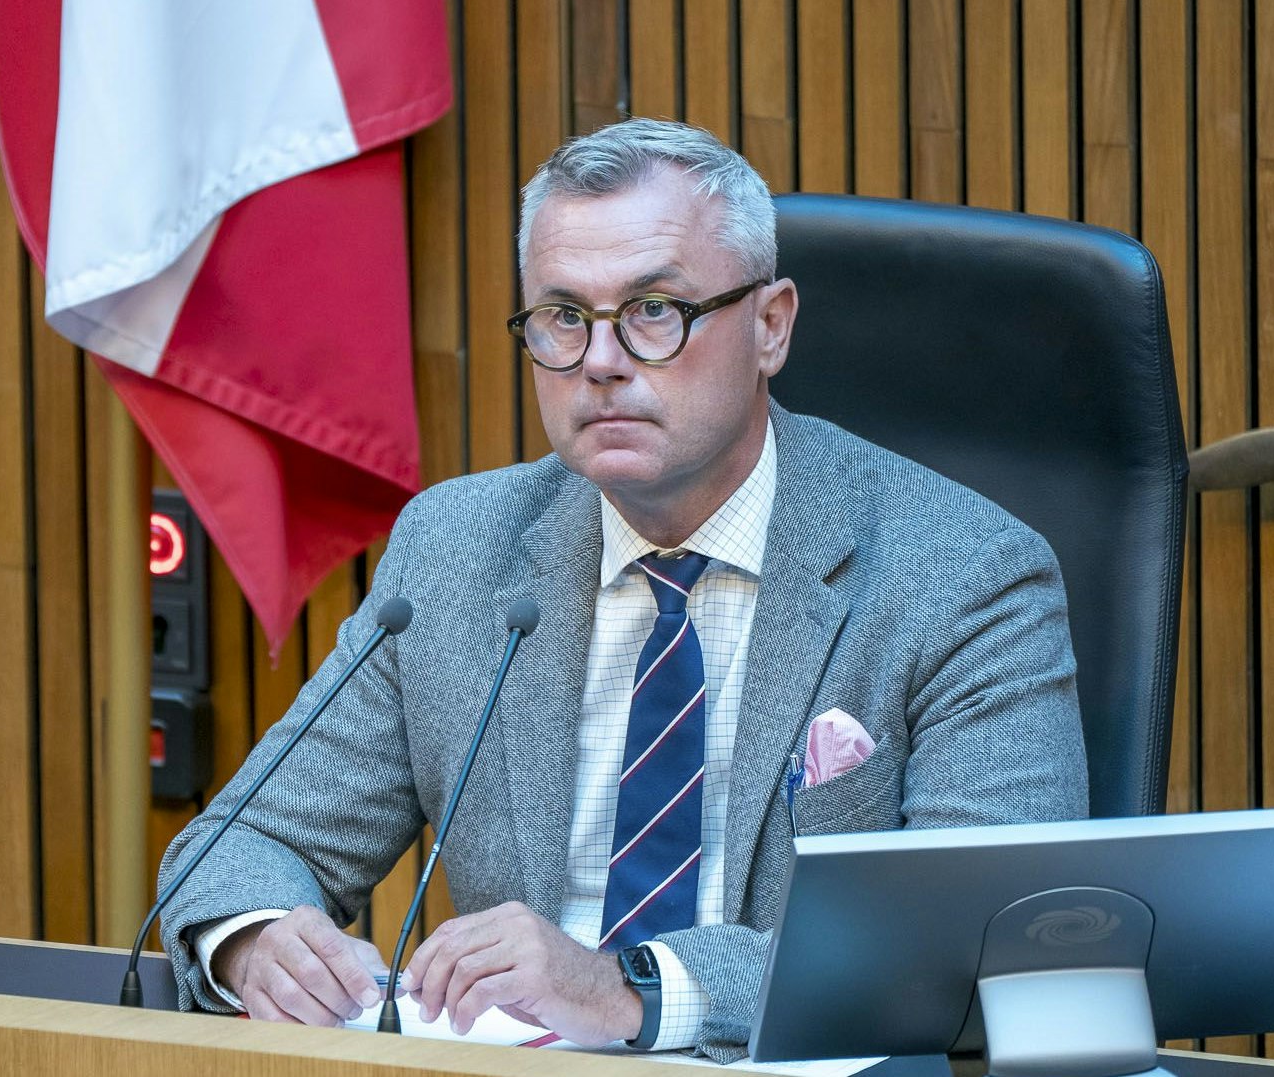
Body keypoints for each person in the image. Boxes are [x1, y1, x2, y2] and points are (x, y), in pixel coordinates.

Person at [157, 118, 1088, 1061]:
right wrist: (257, 938)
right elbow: (237, 843)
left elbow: (979, 942)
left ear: (771, 326)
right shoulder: (457, 552)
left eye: (653, 310)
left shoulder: (965, 575)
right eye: (564, 316)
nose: (600, 361)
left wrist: (629, 989)